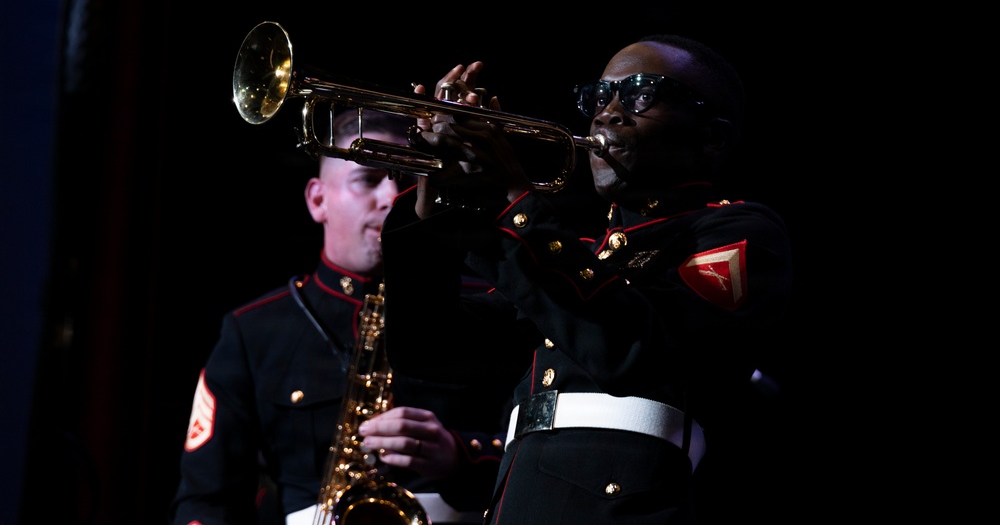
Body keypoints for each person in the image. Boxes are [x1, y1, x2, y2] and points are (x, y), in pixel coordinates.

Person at [377, 35, 794, 523]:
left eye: (642, 94)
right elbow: (431, 347)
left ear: (712, 137)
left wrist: (512, 198)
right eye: (598, 97)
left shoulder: (738, 231)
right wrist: (436, 197)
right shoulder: (583, 257)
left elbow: (633, 350)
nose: (606, 114)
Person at [168, 108, 513, 525]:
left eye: (407, 178)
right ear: (318, 200)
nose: (392, 197)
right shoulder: (252, 331)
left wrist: (461, 455)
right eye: (368, 179)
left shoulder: (491, 306)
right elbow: (207, 500)